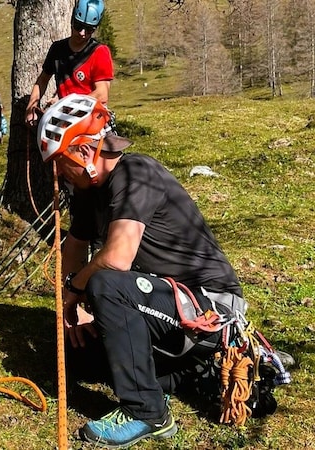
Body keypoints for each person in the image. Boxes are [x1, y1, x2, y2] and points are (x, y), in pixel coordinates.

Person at [37, 94, 249, 448]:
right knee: (77, 352)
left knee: (107, 283)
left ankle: (147, 412)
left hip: (210, 306)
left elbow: (118, 258)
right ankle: (186, 376)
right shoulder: (92, 191)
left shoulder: (136, 173)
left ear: (84, 152)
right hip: (165, 306)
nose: (58, 174)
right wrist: (70, 309)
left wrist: (77, 290)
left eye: (60, 163)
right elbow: (74, 246)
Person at [25, 0, 113, 126]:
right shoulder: (57, 49)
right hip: (63, 120)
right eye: (78, 26)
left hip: (91, 121)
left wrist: (68, 107)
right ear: (71, 21)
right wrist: (31, 107)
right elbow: (42, 80)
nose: (82, 33)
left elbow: (102, 94)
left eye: (89, 29)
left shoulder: (99, 52)